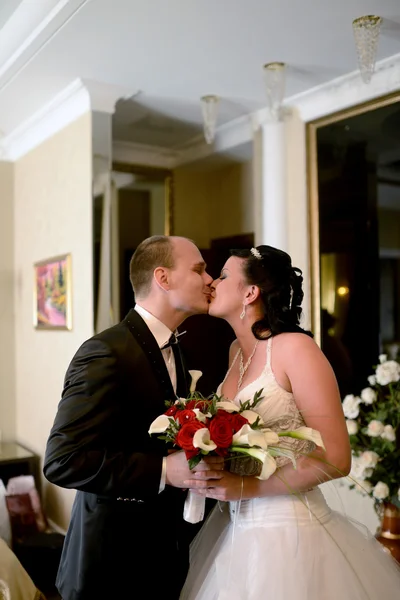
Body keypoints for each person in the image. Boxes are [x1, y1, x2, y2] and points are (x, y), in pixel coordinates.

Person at [181, 245, 400, 600]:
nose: (212, 283)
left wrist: (247, 487)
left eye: (222, 276)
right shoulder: (236, 353)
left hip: (289, 533)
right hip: (237, 527)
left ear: (250, 293)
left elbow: (336, 457)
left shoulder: (296, 349)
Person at [43, 235, 223, 600]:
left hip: (160, 560)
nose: (210, 280)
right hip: (109, 567)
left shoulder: (178, 350)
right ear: (163, 277)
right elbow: (62, 460)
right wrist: (163, 471)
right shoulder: (106, 352)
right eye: (199, 269)